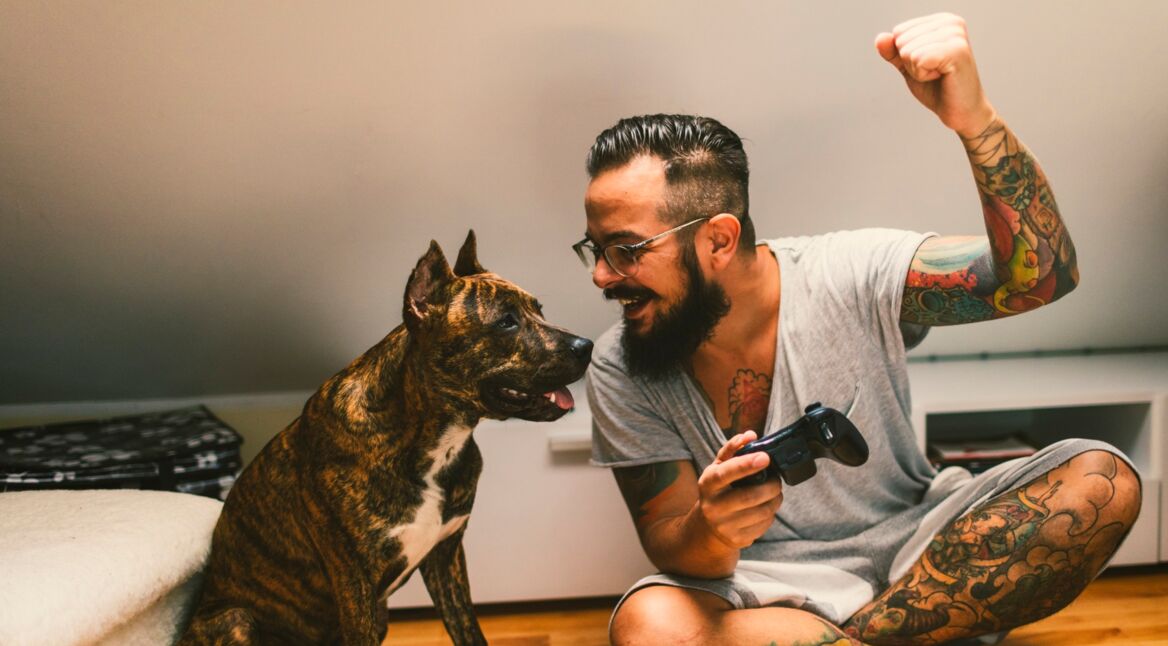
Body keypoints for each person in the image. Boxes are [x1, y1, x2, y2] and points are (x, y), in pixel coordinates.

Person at [575, 13, 1141, 646]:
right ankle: (920, 630)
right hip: (770, 585)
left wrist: (974, 120)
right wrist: (711, 528)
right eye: (593, 249)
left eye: (625, 249)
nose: (601, 276)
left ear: (718, 240)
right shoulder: (619, 361)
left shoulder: (851, 271)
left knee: (1101, 481)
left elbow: (1041, 277)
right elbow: (671, 543)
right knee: (649, 627)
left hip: (920, 542)